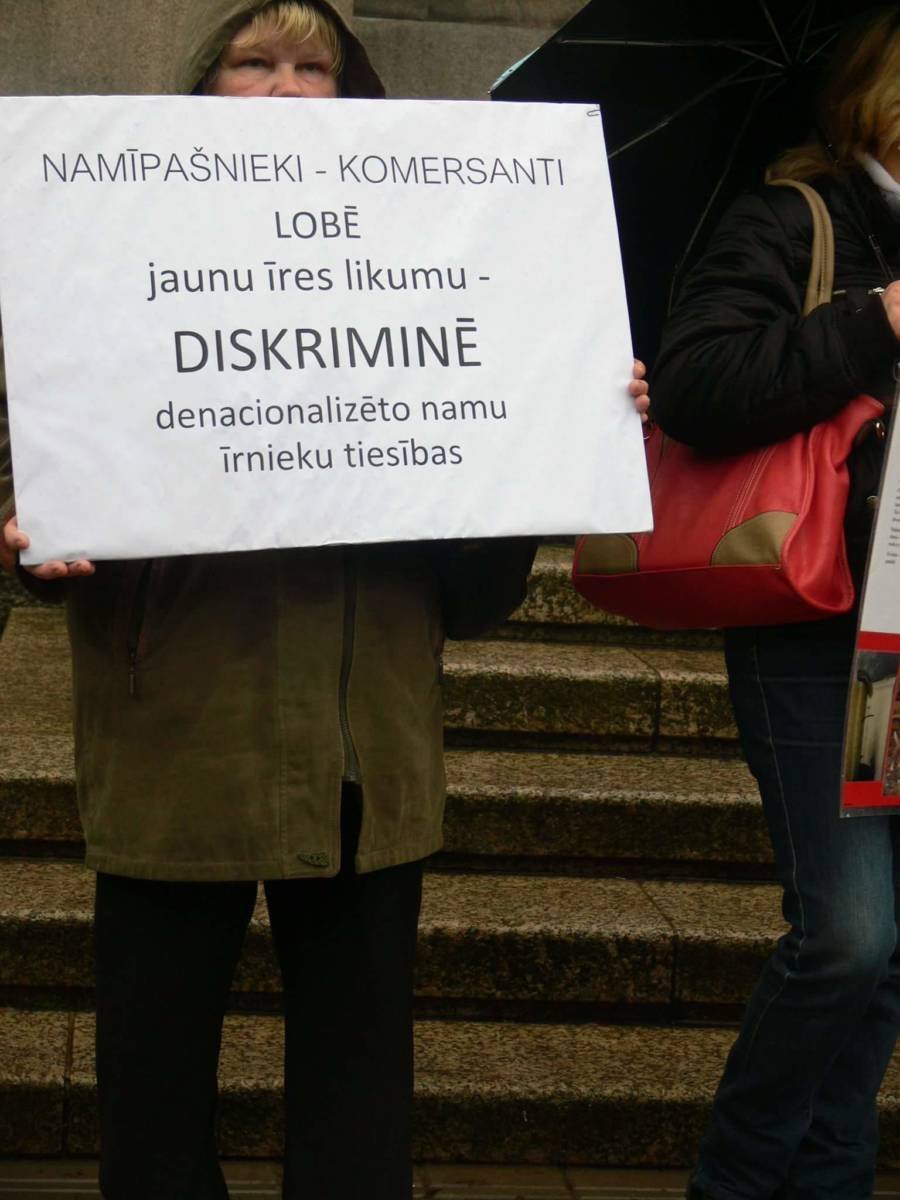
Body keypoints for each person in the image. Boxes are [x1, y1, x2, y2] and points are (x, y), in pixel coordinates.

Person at [0, 3, 649, 1197]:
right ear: (201, 86)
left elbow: (478, 586)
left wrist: (550, 421)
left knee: (357, 1093)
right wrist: (32, 533)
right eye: (254, 62)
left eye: (316, 66)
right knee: (154, 1084)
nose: (288, 89)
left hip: (366, 746)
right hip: (176, 730)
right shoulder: (96, 249)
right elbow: (35, 457)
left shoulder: (435, 264)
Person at [651, 7, 900, 1199]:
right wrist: (878, 318)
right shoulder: (796, 218)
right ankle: (737, 1183)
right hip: (823, 631)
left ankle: (830, 1183)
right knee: (847, 936)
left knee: (889, 955)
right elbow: (697, 384)